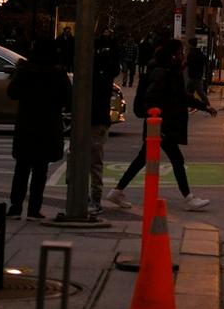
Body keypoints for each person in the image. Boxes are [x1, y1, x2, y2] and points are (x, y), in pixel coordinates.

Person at [107, 39, 215, 212]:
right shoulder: (163, 72)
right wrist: (157, 122)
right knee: (176, 159)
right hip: (160, 125)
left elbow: (181, 96)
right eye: (181, 52)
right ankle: (188, 197)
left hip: (159, 125)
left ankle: (117, 190)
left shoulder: (169, 71)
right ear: (173, 55)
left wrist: (204, 106)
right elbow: (154, 99)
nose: (183, 55)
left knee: (143, 159)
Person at [6, 37, 72, 219]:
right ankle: (34, 208)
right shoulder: (58, 74)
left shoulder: (25, 70)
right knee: (40, 170)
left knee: (22, 168)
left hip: (27, 123)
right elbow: (68, 99)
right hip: (48, 125)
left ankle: (16, 206)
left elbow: (12, 93)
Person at [89, 33, 122, 216]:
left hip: (91, 118)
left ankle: (91, 198)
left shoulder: (93, 69)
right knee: (95, 162)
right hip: (98, 118)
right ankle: (93, 199)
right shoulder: (106, 72)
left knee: (87, 160)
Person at [185, 37, 207, 103]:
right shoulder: (198, 52)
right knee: (191, 91)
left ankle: (207, 104)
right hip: (196, 75)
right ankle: (192, 103)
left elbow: (188, 62)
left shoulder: (192, 53)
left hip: (194, 75)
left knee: (198, 91)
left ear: (190, 44)